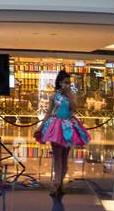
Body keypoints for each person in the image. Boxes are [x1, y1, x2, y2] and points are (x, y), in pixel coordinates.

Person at [35, 69, 91, 197]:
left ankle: (60, 185)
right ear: (60, 82)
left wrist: (70, 96)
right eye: (66, 82)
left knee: (65, 157)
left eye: (69, 82)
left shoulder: (71, 94)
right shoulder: (54, 96)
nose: (68, 84)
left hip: (68, 127)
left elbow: (75, 108)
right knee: (57, 157)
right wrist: (41, 126)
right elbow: (49, 112)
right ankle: (56, 184)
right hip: (56, 127)